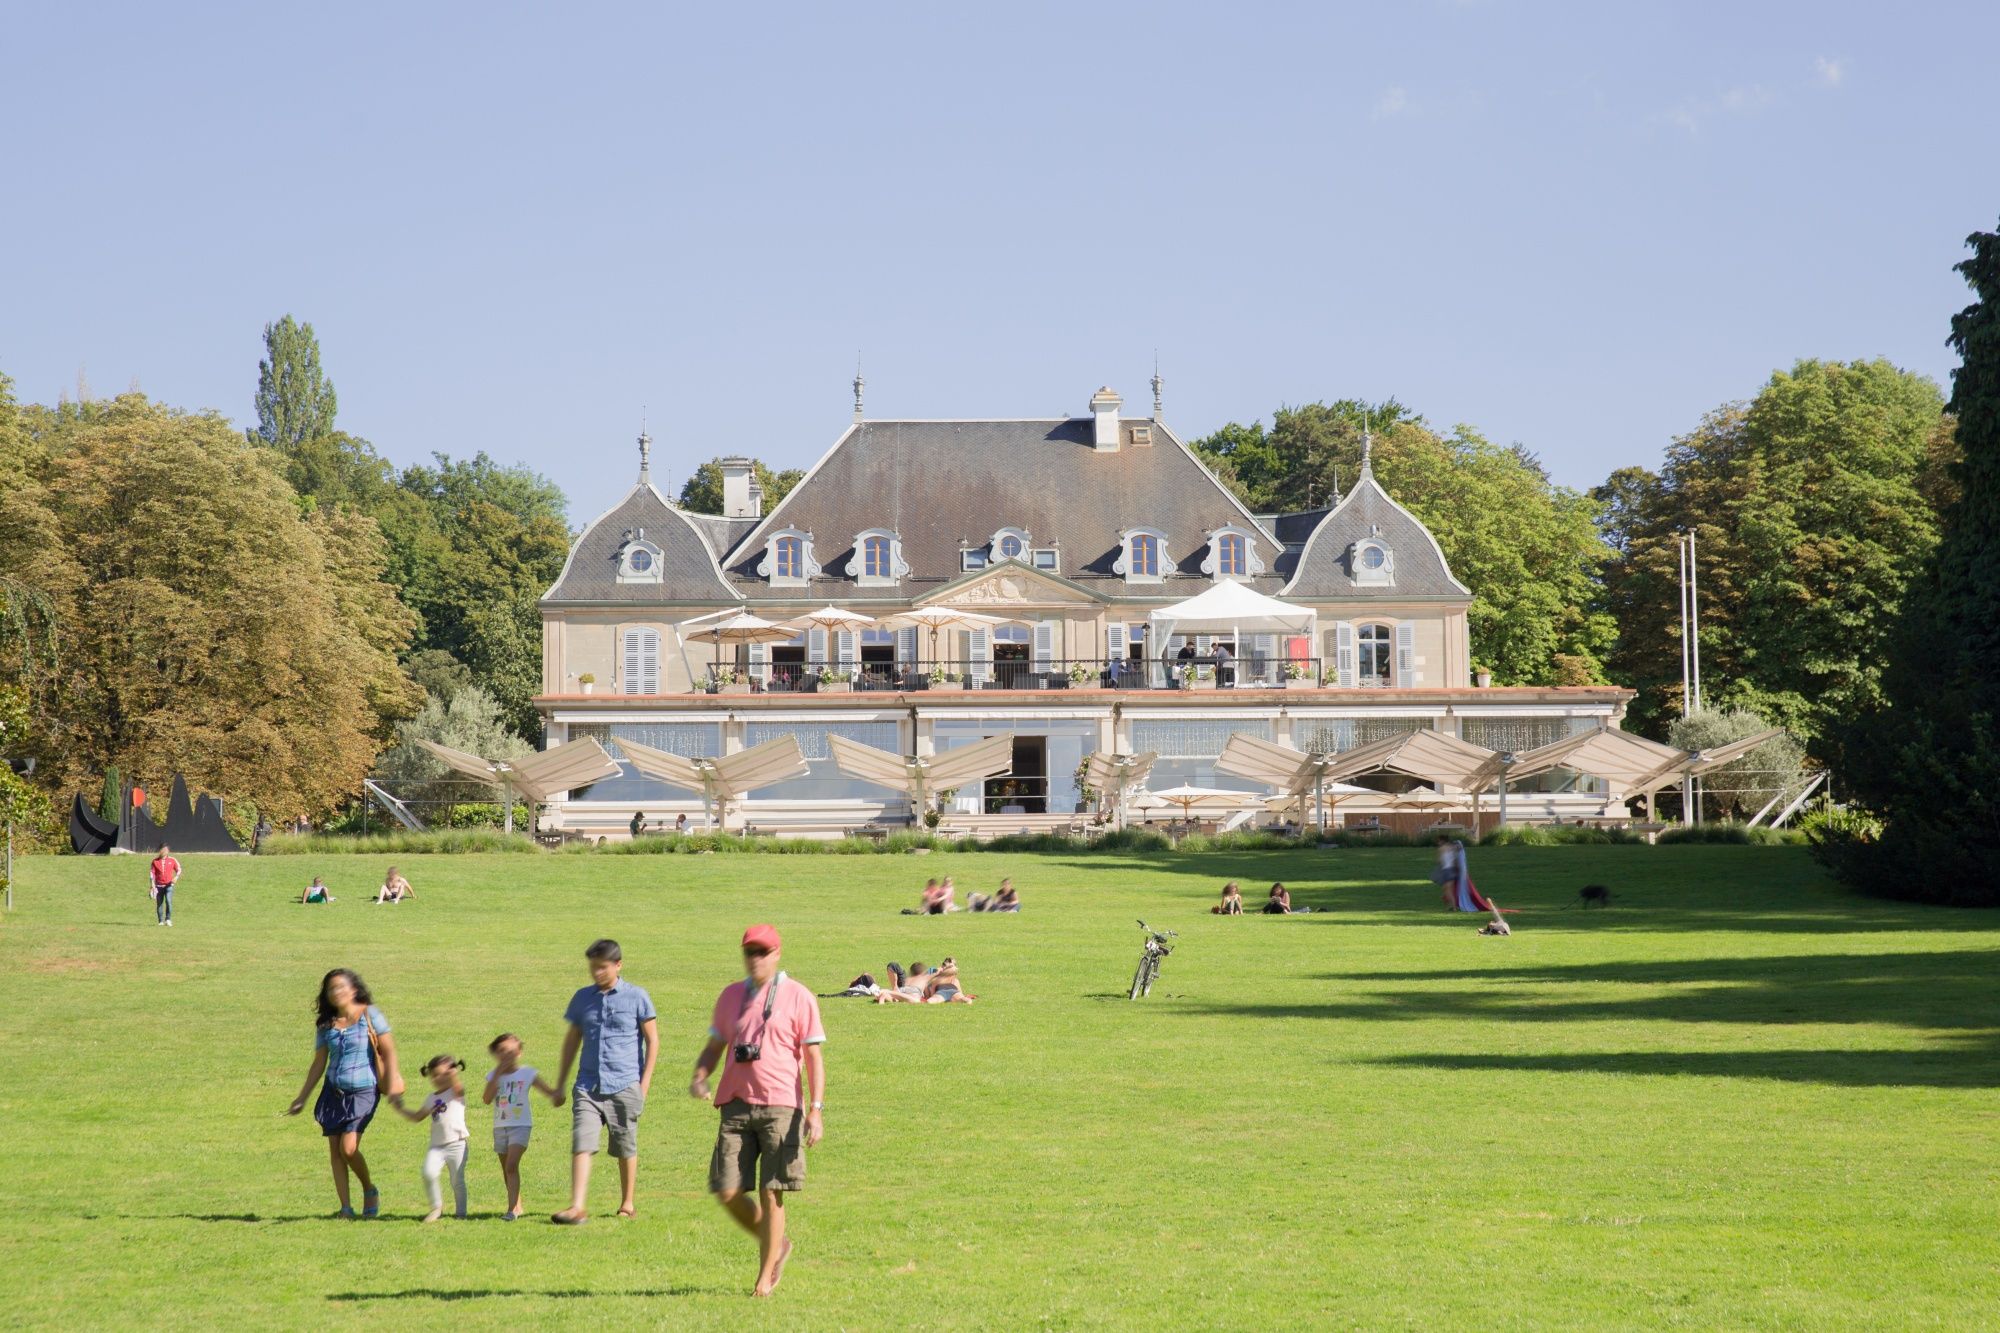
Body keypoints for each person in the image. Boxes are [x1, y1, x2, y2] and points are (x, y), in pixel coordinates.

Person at [690, 924, 826, 1298]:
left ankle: (764, 1277)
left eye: (763, 952)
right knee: (726, 1189)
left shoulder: (799, 996)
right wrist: (700, 1075)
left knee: (772, 1191)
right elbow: (715, 1043)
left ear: (778, 953)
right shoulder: (730, 995)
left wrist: (816, 1109)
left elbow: (813, 1055)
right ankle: (777, 1245)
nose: (756, 959)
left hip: (781, 1104)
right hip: (734, 1102)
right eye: (751, 952)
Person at [550, 939, 658, 1224]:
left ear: (618, 965)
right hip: (587, 1085)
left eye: (602, 967)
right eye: (593, 968)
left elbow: (653, 1041)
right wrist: (560, 1083)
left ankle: (627, 1203)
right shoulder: (582, 998)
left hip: (625, 1084)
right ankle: (576, 1206)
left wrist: (643, 1084)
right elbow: (571, 1044)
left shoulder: (637, 997)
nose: (597, 973)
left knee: (625, 1146)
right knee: (582, 1141)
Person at [286, 968, 404, 1218]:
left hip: (363, 1090)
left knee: (348, 1148)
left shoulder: (370, 1015)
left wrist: (393, 1081)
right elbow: (319, 1063)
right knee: (336, 1152)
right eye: (331, 989)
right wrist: (302, 1096)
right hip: (333, 1092)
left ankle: (369, 1188)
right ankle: (346, 1208)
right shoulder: (326, 1024)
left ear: (354, 989)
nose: (336, 992)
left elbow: (389, 1050)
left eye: (341, 986)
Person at [484, 1033, 562, 1220]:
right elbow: (486, 1099)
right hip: (500, 1126)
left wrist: (557, 1095)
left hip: (521, 1125)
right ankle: (517, 1203)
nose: (506, 1055)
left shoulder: (527, 1073)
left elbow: (548, 1091)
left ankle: (512, 1211)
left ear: (519, 1053)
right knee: (507, 1169)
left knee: (511, 1165)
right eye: (502, 1051)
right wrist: (497, 1074)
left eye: (511, 1051)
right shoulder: (493, 1075)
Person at [393, 1055, 470, 1222]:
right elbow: (417, 1116)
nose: (437, 1079)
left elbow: (458, 1086)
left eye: (442, 1074)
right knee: (428, 1172)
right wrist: (400, 1108)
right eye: (434, 1075)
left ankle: (461, 1212)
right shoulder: (431, 1098)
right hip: (437, 1146)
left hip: (457, 1143)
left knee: (457, 1180)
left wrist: (453, 1074)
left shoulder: (456, 1092)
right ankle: (436, 1207)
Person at [1437, 837, 1509, 930]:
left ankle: (1453, 905)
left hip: (1456, 873)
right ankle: (1452, 904)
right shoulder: (1456, 853)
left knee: (1451, 889)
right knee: (1450, 888)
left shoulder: (1456, 853)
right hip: (1456, 873)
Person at [149, 845, 180, 926]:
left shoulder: (172, 860)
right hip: (158, 886)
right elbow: (152, 873)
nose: (164, 851)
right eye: (163, 850)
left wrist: (176, 877)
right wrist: (152, 884)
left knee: (169, 902)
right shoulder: (155, 861)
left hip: (169, 885)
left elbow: (179, 870)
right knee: (159, 904)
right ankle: (160, 921)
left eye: (166, 850)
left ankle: (168, 919)